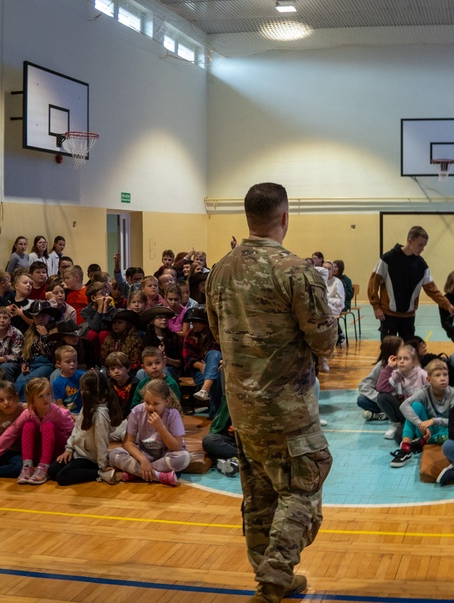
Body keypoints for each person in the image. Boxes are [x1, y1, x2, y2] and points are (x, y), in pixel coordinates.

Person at [205, 182, 336, 603]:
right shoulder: (296, 271)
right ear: (284, 218)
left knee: (259, 495)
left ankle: (268, 576)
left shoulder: (219, 270)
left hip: (243, 409)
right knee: (303, 486)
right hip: (288, 410)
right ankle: (276, 577)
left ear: (248, 218)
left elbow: (216, 333)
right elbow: (324, 342)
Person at [367, 226, 454, 339]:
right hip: (389, 316)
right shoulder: (388, 259)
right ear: (410, 240)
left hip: (408, 318)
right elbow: (373, 283)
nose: (422, 249)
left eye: (424, 246)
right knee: (389, 352)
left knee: (409, 352)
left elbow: (433, 291)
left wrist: (448, 306)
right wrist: (376, 307)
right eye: (420, 245)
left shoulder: (421, 265)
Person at [0, 376, 74, 485]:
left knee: (48, 426)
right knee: (28, 426)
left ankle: (44, 468)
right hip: (39, 451)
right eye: (40, 396)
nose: (45, 399)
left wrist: (69, 450)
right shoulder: (28, 413)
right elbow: (10, 433)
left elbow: (73, 432)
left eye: (48, 394)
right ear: (32, 400)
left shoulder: (58, 413)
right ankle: (27, 466)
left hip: (57, 452)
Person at [105, 378, 189, 486]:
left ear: (166, 401)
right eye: (147, 402)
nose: (150, 407)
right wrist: (143, 460)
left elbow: (176, 447)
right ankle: (158, 476)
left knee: (184, 458)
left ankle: (136, 473)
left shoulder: (173, 414)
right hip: (145, 452)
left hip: (166, 453)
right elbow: (128, 442)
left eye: (155, 403)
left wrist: (161, 427)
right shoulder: (137, 411)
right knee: (114, 454)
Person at [49, 370, 122, 486]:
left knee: (62, 477)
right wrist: (69, 449)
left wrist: (103, 465)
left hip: (89, 459)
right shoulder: (88, 406)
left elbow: (101, 442)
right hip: (78, 452)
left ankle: (100, 474)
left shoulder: (100, 415)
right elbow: (76, 429)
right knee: (52, 471)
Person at [390, 359, 454, 467]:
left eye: (445, 375)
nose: (442, 378)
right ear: (429, 379)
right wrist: (419, 424)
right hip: (427, 432)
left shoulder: (453, 394)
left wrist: (433, 421)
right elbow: (403, 405)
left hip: (446, 432)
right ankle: (405, 450)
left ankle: (420, 442)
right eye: (437, 375)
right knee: (415, 406)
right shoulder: (424, 392)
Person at [375, 344, 427, 440]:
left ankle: (416, 431)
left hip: (418, 414)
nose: (402, 361)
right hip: (404, 411)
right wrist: (389, 367)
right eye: (399, 358)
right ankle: (397, 423)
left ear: (414, 362)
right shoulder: (397, 374)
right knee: (382, 397)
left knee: (399, 438)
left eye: (406, 358)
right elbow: (381, 387)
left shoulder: (422, 375)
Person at [356, 336, 402, 420]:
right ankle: (386, 413)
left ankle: (384, 414)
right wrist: (380, 399)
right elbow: (364, 385)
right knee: (361, 400)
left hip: (402, 400)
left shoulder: (406, 363)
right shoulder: (381, 366)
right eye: (401, 348)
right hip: (387, 399)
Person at [51, 345, 85, 413]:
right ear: (58, 364)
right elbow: (60, 405)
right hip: (69, 414)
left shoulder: (82, 375)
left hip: (84, 411)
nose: (72, 364)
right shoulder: (56, 383)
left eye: (74, 361)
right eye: (68, 362)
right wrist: (70, 416)